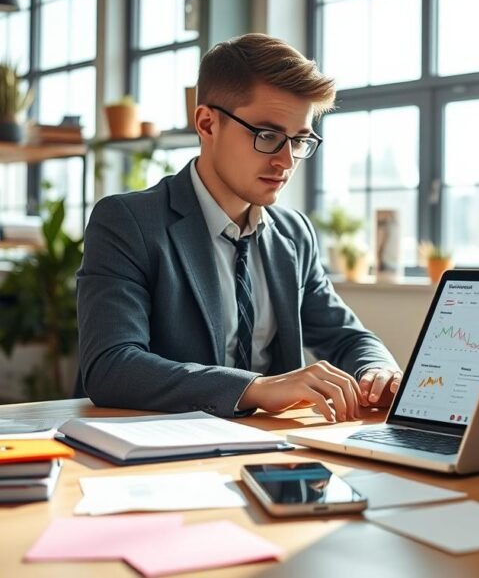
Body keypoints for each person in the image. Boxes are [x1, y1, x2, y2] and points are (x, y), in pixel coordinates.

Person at [76, 33, 402, 422]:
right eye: (267, 135)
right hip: (161, 455)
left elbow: (347, 337)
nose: (286, 161)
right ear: (207, 123)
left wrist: (377, 373)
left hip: (274, 448)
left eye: (298, 140)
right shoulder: (128, 222)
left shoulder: (294, 234)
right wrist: (255, 388)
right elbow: (112, 365)